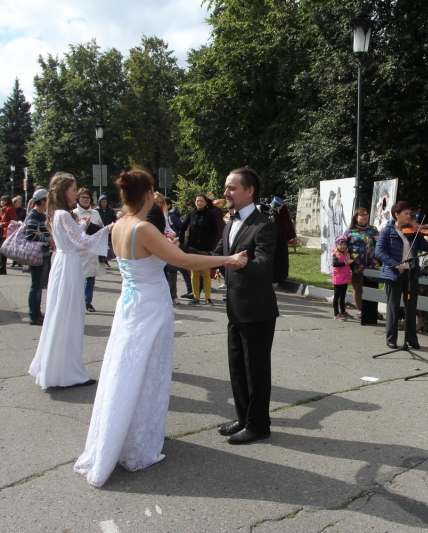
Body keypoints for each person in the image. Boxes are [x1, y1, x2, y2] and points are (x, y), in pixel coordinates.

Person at [74, 168, 246, 488]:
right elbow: (185, 261)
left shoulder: (119, 225)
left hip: (129, 307)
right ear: (149, 194)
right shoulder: (143, 228)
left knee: (126, 371)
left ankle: (122, 435)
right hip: (150, 307)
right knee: (148, 372)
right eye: (153, 190)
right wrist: (227, 259)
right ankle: (137, 445)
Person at [186, 168, 278, 445]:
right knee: (237, 368)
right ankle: (244, 418)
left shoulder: (264, 225)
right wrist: (180, 249)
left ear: (249, 191)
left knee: (256, 371)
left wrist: (245, 262)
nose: (225, 193)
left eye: (231, 188)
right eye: (226, 188)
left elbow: (263, 265)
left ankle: (259, 425)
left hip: (258, 310)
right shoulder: (230, 222)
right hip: (235, 309)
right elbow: (217, 257)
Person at [28, 173, 112, 390]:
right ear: (63, 191)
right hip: (69, 264)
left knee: (62, 314)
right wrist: (106, 230)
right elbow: (82, 243)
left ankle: (57, 368)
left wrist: (82, 227)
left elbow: (70, 239)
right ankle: (68, 372)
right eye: (74, 190)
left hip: (63, 262)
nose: (76, 193)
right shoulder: (64, 214)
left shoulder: (56, 214)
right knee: (70, 316)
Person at [375, 201, 428, 349]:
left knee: (411, 307)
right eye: (406, 213)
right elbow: (379, 252)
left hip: (411, 274)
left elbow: (426, 246)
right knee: (393, 307)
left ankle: (411, 339)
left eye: (410, 214)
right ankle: (391, 338)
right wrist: (394, 263)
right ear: (397, 214)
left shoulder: (413, 232)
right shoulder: (387, 231)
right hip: (393, 274)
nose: (410, 216)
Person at [178, 194, 217, 305]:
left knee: (205, 273)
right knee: (194, 273)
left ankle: (208, 297)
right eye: (197, 201)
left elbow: (215, 231)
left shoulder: (210, 215)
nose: (199, 203)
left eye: (201, 201)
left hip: (205, 248)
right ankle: (196, 297)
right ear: (195, 202)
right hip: (192, 247)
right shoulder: (190, 214)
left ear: (205, 203)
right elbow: (183, 228)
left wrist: (209, 243)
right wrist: (181, 243)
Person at [343, 207, 380, 317]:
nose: (365, 217)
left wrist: (378, 240)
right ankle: (361, 310)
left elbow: (380, 246)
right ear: (356, 217)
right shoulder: (349, 231)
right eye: (362, 215)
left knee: (373, 289)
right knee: (358, 288)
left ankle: (374, 311)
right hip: (357, 265)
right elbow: (343, 247)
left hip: (372, 264)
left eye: (366, 215)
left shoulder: (373, 230)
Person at [26, 189, 54, 326]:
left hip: (44, 253)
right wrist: (47, 239)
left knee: (39, 285)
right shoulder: (34, 215)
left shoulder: (41, 215)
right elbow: (30, 234)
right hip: (37, 254)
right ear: (42, 201)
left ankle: (36, 312)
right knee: (36, 285)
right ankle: (34, 314)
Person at [74, 188, 105, 312]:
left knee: (91, 276)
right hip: (80, 249)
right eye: (83, 197)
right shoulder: (74, 213)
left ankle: (88, 301)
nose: (85, 199)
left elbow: (101, 227)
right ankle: (78, 301)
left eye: (87, 197)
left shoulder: (95, 213)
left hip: (93, 249)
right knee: (79, 276)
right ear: (78, 199)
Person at [147, 192, 180, 305]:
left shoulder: (164, 213)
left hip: (164, 241)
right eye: (156, 202)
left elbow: (167, 227)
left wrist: (170, 235)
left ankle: (171, 295)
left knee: (169, 271)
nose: (159, 204)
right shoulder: (150, 214)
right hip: (156, 244)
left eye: (161, 202)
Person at [331, 234, 353, 320]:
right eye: (340, 244)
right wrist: (345, 263)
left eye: (344, 244)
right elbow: (335, 264)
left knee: (343, 296)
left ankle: (343, 311)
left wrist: (352, 261)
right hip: (338, 278)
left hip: (345, 278)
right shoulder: (335, 254)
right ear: (337, 245)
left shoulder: (347, 254)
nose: (343, 246)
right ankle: (336, 313)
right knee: (337, 296)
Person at [96, 194, 117, 267]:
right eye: (102, 202)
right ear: (99, 202)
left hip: (109, 230)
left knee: (109, 246)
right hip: (100, 230)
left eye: (105, 202)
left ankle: (106, 259)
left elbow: (113, 219)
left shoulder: (110, 210)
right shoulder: (97, 210)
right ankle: (102, 259)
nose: (104, 203)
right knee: (101, 245)